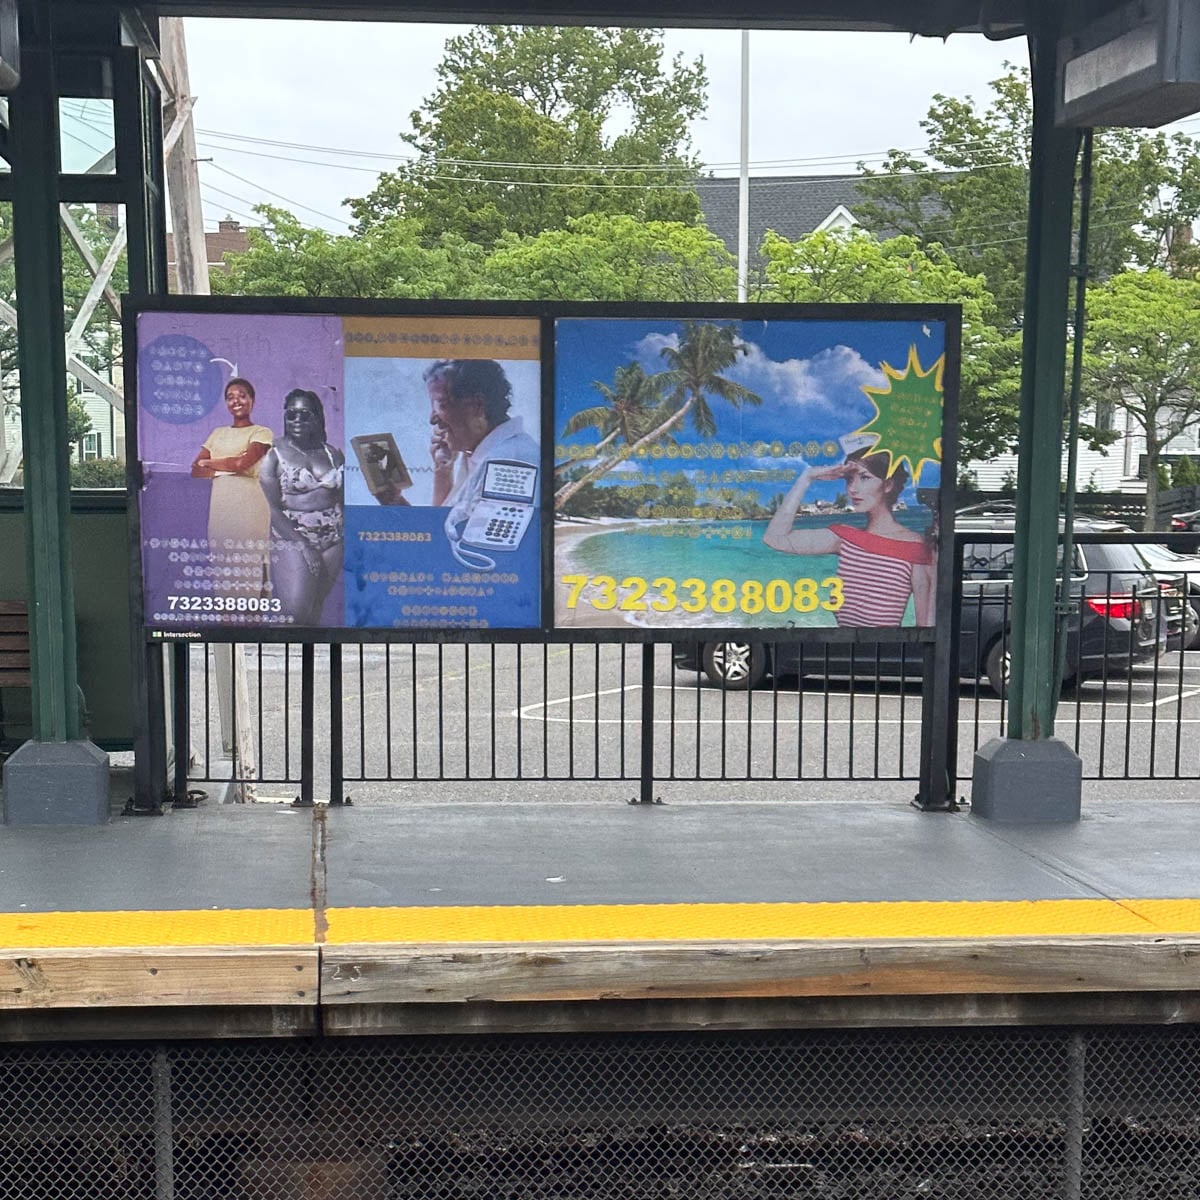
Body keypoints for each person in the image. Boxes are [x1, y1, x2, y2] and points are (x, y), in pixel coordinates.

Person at [763, 447, 936, 627]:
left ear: (888, 485)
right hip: (842, 643)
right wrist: (807, 477)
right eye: (849, 479)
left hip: (884, 645)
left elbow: (925, 628)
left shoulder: (915, 547)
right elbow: (774, 538)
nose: (852, 489)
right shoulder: (845, 539)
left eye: (864, 477)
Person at [259, 389, 345, 626]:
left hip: (333, 538)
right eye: (291, 415)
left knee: (315, 609)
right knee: (295, 614)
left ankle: (312, 652)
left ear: (317, 418)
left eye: (305, 415)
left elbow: (341, 498)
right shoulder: (273, 455)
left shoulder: (332, 453)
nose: (297, 420)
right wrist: (303, 545)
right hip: (293, 536)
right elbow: (272, 509)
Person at [190, 377, 273, 596]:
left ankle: (253, 615)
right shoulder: (217, 433)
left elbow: (243, 463)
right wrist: (227, 466)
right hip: (220, 508)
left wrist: (210, 462)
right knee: (223, 567)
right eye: (230, 397)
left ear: (252, 400)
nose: (236, 401)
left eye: (242, 396)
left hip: (250, 507)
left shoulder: (261, 433)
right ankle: (228, 617)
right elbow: (196, 469)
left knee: (250, 566)